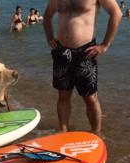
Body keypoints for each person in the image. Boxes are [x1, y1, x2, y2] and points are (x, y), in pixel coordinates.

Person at [43, 0, 122, 134]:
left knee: (90, 98)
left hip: (85, 52)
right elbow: (47, 16)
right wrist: (50, 38)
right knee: (63, 95)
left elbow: (116, 13)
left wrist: (105, 45)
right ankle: (63, 132)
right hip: (62, 52)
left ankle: (95, 133)